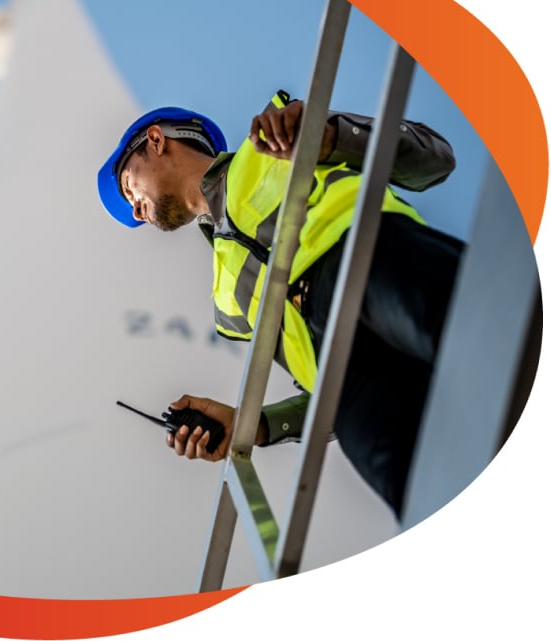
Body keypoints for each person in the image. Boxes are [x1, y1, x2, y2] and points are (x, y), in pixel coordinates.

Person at [96, 90, 464, 517]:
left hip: (371, 259)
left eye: (128, 188)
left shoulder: (274, 140)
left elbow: (434, 157)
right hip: (342, 381)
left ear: (156, 140)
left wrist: (330, 138)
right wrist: (255, 426)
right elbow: (312, 390)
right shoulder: (224, 296)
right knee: (425, 499)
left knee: (492, 353)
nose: (136, 212)